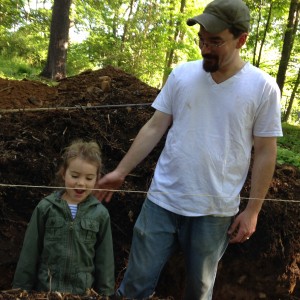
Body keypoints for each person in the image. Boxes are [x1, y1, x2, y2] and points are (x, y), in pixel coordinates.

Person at [97, 0, 282, 298]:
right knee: (135, 285)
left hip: (215, 210)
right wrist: (121, 171)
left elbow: (265, 151)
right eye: (201, 40)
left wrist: (253, 210)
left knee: (199, 291)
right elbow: (155, 126)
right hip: (162, 201)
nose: (205, 48)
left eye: (215, 42)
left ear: (241, 39)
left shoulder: (262, 88)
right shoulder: (182, 75)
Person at [13, 140, 115, 296]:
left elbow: (105, 260)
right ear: (63, 173)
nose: (81, 183)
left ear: (97, 178)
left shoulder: (100, 214)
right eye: (75, 176)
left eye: (89, 178)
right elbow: (30, 253)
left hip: (82, 295)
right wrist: (20, 291)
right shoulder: (46, 208)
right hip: (46, 293)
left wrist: (106, 294)